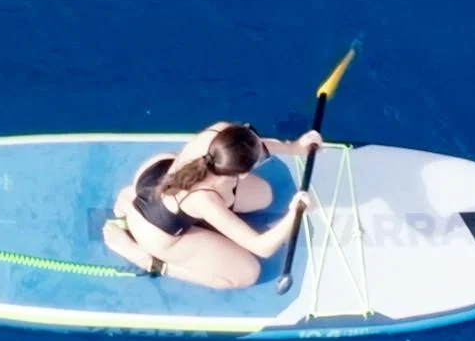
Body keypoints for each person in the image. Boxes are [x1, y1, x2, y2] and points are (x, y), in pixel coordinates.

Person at [101, 120, 318, 289]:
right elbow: (262, 247)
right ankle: (146, 259)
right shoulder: (205, 200)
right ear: (241, 175)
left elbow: (255, 145)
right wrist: (295, 213)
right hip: (157, 229)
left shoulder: (219, 132)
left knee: (265, 195)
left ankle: (129, 199)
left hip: (157, 175)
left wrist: (296, 147)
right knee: (245, 274)